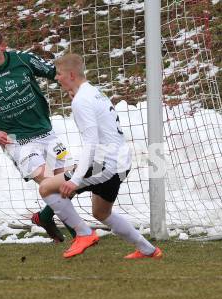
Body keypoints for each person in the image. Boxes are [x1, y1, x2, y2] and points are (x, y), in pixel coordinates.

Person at [39, 53, 163, 259]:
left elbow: (91, 142)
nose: (57, 78)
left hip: (106, 163)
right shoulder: (93, 92)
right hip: (120, 161)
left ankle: (84, 234)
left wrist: (76, 179)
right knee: (101, 213)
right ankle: (148, 250)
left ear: (70, 74)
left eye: (59, 74)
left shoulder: (82, 100)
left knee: (46, 188)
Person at [0, 26, 77, 242]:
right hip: (16, 141)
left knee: (70, 183)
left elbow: (54, 72)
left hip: (46, 133)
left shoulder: (24, 60)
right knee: (52, 186)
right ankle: (80, 234)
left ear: (2, 46)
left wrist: (74, 89)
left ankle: (44, 217)